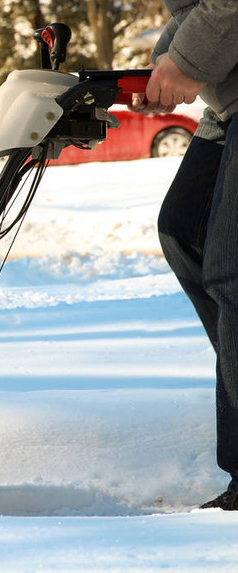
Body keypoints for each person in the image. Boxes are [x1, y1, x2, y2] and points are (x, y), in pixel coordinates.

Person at [129, 0, 238, 510]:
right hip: (228, 101)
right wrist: (160, 67)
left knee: (232, 270)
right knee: (184, 230)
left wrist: (187, 62)